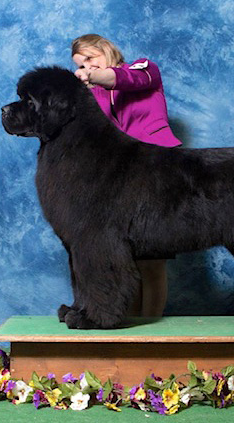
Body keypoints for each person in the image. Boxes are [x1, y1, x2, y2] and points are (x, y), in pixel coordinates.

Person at [71, 33, 181, 317]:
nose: (85, 68)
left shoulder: (144, 68)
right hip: (118, 181)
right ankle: (129, 329)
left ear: (106, 50)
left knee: (153, 258)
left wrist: (93, 77)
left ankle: (152, 327)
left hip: (159, 170)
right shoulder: (88, 95)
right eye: (80, 65)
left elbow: (126, 80)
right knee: (123, 257)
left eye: (89, 59)